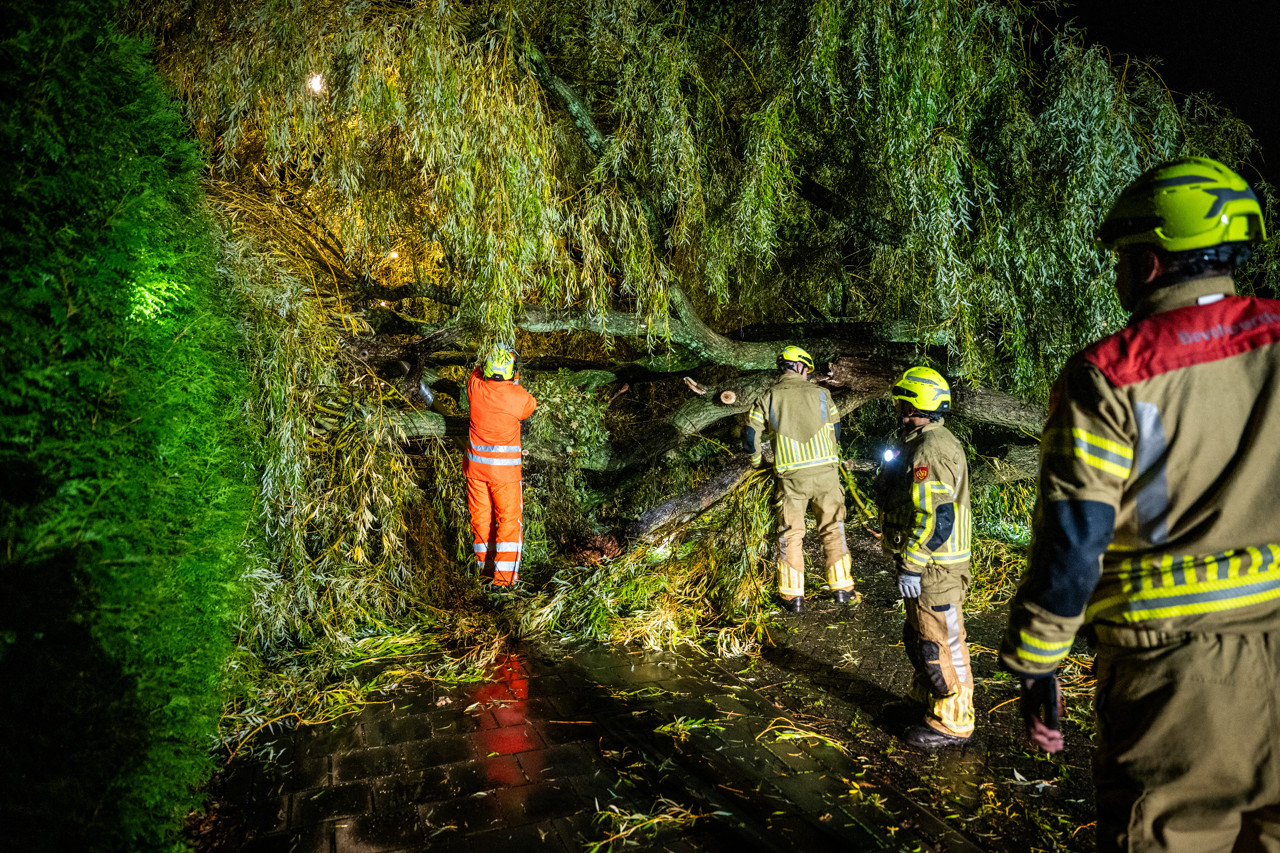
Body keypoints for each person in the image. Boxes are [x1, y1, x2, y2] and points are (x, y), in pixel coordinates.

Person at [999, 156, 1278, 851]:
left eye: (1122, 258)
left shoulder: (1110, 375)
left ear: (1150, 264)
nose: (1118, 273)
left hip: (1179, 680)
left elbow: (1074, 542)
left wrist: (1037, 660)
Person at [874, 366, 974, 748]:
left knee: (941, 643)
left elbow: (938, 518)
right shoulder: (921, 442)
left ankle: (955, 720)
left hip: (937, 568)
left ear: (914, 405)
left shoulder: (931, 448)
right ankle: (925, 701)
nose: (898, 410)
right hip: (928, 565)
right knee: (919, 638)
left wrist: (912, 565)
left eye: (902, 403)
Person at [746, 345, 854, 613]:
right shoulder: (822, 394)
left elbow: (750, 435)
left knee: (791, 535)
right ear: (800, 367)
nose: (807, 375)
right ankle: (842, 588)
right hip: (826, 475)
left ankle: (793, 597)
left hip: (791, 478)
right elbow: (836, 430)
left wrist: (757, 461)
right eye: (807, 370)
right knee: (833, 528)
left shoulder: (768, 396)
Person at [464, 347, 537, 587]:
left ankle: (485, 575)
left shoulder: (475, 388)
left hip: (476, 472)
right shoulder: (518, 398)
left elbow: (475, 372)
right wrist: (515, 379)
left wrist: (489, 357)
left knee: (481, 521)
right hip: (505, 475)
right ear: (512, 373)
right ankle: (503, 582)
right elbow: (531, 405)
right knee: (508, 522)